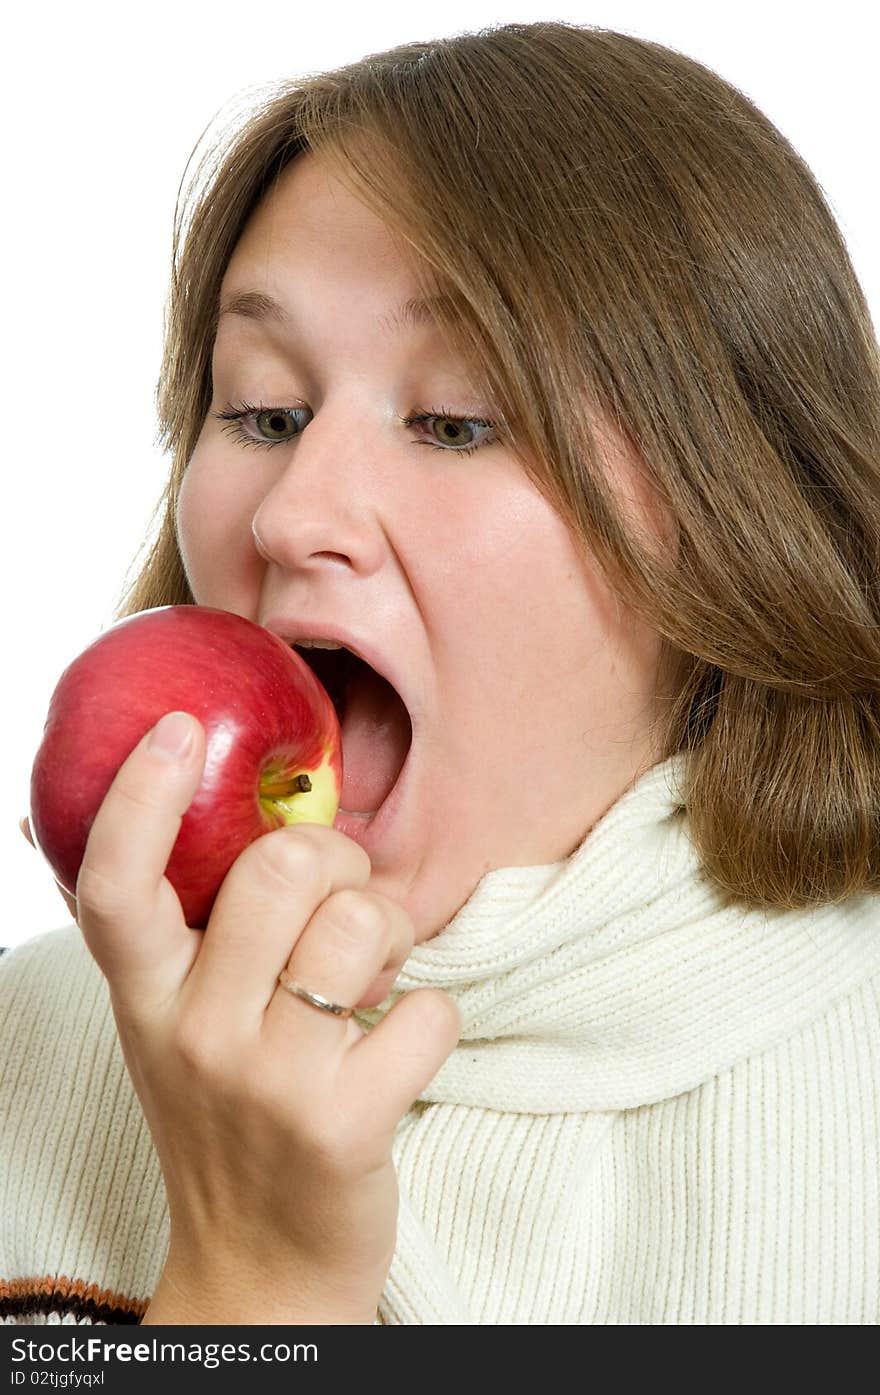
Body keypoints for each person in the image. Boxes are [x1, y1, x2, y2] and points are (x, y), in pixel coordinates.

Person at [3, 18, 880, 1326]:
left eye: (457, 421)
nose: (294, 515)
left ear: (736, 522)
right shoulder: (25, 1047)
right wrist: (254, 1286)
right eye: (265, 411)